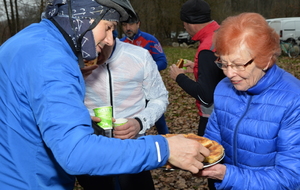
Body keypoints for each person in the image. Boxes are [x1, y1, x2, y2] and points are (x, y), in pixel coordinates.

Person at [0, 0, 211, 189]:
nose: (111, 39)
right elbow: (75, 153)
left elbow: (26, 111)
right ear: (82, 17)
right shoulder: (53, 60)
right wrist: (163, 149)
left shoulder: (28, 40)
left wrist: (78, 118)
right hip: (35, 180)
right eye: (108, 27)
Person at [198, 12, 300, 189]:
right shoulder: (223, 88)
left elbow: (291, 178)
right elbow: (212, 141)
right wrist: (196, 155)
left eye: (238, 65)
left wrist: (228, 176)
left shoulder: (293, 100)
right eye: (223, 63)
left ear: (266, 60)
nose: (229, 74)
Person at [78, 34, 169, 190]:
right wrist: (82, 118)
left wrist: (140, 122)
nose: (94, 53)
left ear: (110, 36)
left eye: (100, 46)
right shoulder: (73, 60)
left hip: (133, 147)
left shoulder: (139, 56)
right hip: (91, 147)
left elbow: (160, 97)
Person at [169, 0, 225, 137]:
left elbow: (205, 96)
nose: (184, 27)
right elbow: (221, 71)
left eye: (184, 23)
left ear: (189, 23)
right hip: (230, 112)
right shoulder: (222, 33)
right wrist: (197, 68)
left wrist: (179, 77)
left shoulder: (206, 48)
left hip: (213, 119)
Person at [120, 13, 169, 135]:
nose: (128, 28)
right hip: (129, 91)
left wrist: (144, 71)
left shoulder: (150, 40)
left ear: (138, 24)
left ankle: (168, 142)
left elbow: (163, 62)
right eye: (124, 25)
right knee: (132, 122)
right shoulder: (120, 43)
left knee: (159, 121)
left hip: (148, 88)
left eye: (131, 24)